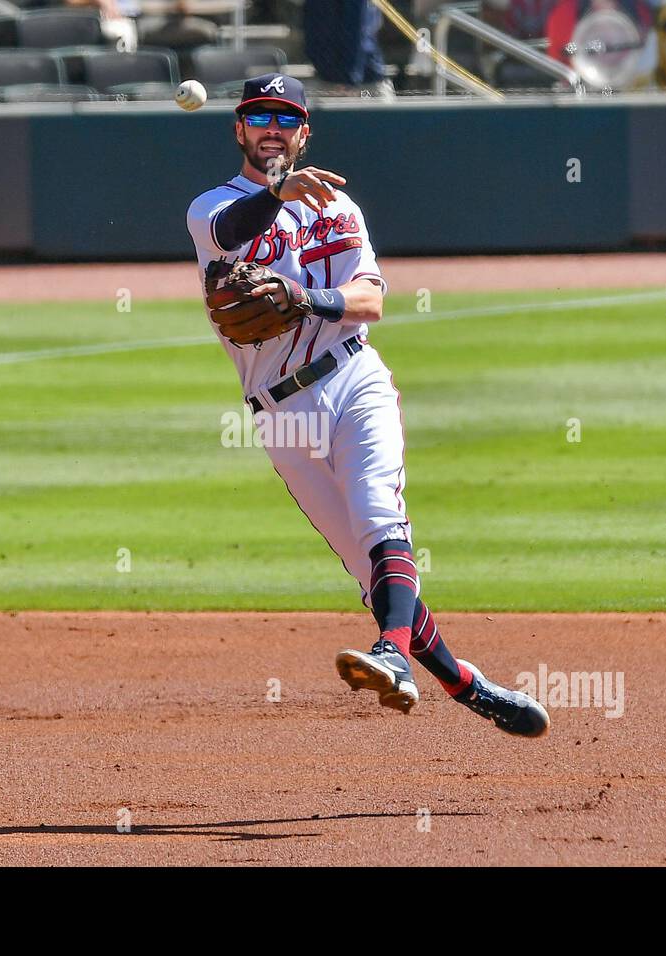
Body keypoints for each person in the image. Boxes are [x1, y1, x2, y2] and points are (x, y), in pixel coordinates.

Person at [184, 73, 550, 737]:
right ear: (239, 129)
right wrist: (273, 194)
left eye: (285, 117)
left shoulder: (339, 210)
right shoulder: (212, 209)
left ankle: (393, 654)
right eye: (259, 116)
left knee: (381, 515)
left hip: (354, 381)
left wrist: (305, 300)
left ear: (304, 133)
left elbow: (371, 301)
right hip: (280, 415)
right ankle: (463, 683)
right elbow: (234, 228)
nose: (272, 127)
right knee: (367, 569)